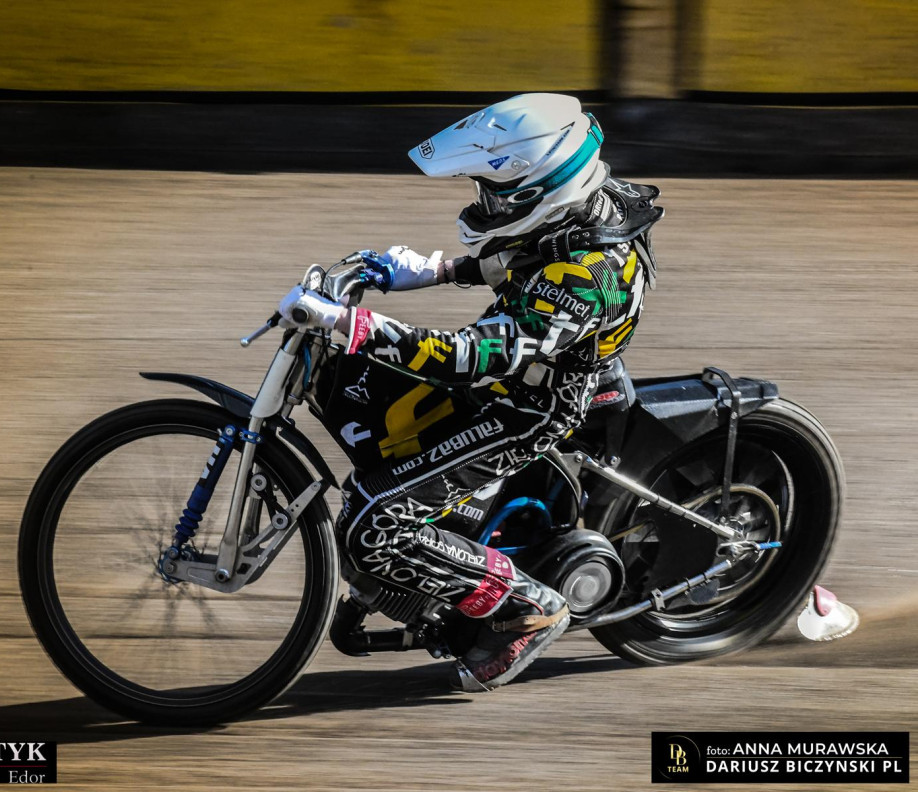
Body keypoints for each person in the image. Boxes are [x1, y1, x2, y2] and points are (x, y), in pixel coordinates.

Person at [276, 93, 661, 691]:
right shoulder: (580, 211)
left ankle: (527, 606)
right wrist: (430, 270)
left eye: (497, 196)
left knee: (374, 524)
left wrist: (358, 326)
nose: (486, 205)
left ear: (544, 190)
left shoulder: (588, 277)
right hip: (522, 371)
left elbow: (468, 358)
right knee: (380, 437)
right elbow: (524, 258)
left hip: (527, 409)